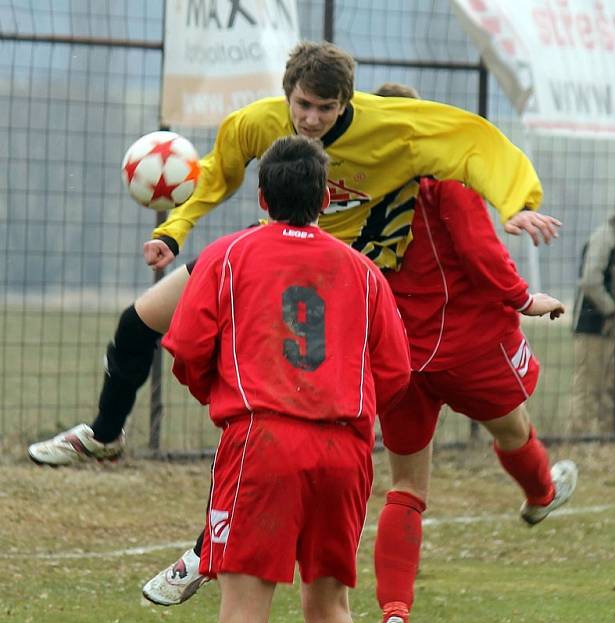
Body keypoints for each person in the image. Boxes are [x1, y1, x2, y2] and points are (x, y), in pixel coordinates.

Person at [29, 40, 560, 468]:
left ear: (346, 103)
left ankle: (214, 543)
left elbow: (479, 144)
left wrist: (515, 203)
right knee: (139, 322)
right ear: (288, 94)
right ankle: (103, 437)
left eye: (325, 109)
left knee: (279, 412)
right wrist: (174, 231)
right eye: (302, 105)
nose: (310, 120)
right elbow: (217, 173)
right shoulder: (258, 121)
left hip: (336, 277)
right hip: (267, 251)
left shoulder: (397, 129)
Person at [162, 134, 411, 623]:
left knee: (243, 612)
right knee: (332, 605)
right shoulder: (362, 270)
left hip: (263, 442)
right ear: (326, 200)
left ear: (263, 196)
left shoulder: (232, 253)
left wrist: (227, 394)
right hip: (344, 449)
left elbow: (184, 348)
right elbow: (393, 370)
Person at [367, 82, 578, 623]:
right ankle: (541, 495)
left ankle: (395, 614)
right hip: (466, 344)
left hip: (397, 355)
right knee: (513, 428)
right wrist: (524, 297)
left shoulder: (354, 191)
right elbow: (481, 251)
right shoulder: (442, 180)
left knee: (405, 487)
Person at [568, 192, 615, 436]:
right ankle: (580, 438)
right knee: (588, 386)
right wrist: (612, 310)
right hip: (592, 324)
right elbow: (589, 281)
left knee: (611, 387)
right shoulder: (605, 237)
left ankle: (608, 438)